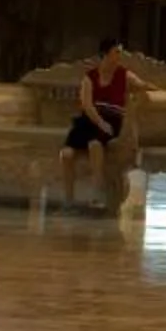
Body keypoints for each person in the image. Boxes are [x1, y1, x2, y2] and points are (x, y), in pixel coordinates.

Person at [56, 38, 131, 211]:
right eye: (117, 52)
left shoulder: (123, 74)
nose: (120, 55)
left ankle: (97, 194)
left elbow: (142, 85)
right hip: (90, 120)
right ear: (106, 54)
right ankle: (68, 200)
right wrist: (100, 122)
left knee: (95, 144)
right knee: (66, 154)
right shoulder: (90, 77)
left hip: (112, 119)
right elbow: (87, 104)